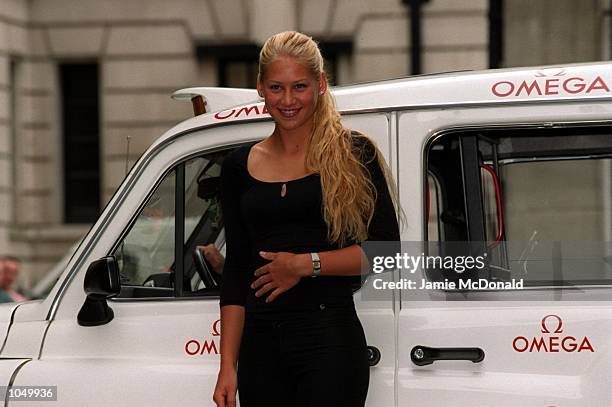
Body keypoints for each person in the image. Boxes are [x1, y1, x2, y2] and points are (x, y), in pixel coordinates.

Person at [213, 31, 401, 407]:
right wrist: (227, 365)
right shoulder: (236, 167)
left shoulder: (353, 154)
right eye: (276, 87)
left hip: (329, 339)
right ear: (261, 89)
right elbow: (235, 273)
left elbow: (385, 250)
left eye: (299, 86)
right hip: (260, 346)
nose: (287, 100)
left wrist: (306, 265)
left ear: (320, 85)